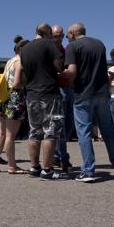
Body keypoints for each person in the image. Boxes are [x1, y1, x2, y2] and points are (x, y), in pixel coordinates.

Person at [64, 23, 114, 182]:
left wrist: (62, 76)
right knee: (109, 131)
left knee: (84, 132)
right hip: (101, 93)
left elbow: (72, 72)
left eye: (67, 35)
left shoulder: (73, 47)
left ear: (73, 33)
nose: (67, 38)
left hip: (82, 94)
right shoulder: (99, 44)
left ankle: (88, 171)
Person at [21, 24, 68, 180]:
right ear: (48, 33)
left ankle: (35, 167)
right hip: (49, 93)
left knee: (34, 131)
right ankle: (47, 170)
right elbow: (59, 67)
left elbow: (23, 73)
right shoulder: (49, 44)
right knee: (51, 131)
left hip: (32, 95)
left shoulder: (25, 49)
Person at [0, 35, 29, 174]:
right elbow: (17, 82)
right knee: (10, 135)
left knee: (1, 133)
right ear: (21, 49)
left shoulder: (9, 61)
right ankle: (12, 166)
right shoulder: (20, 61)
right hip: (15, 97)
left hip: (4, 97)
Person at [51, 25, 74, 172]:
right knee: (59, 125)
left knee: (67, 125)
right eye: (55, 35)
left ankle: (57, 155)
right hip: (55, 90)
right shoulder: (48, 50)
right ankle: (62, 157)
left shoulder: (66, 50)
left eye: (60, 35)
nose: (58, 38)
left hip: (68, 88)